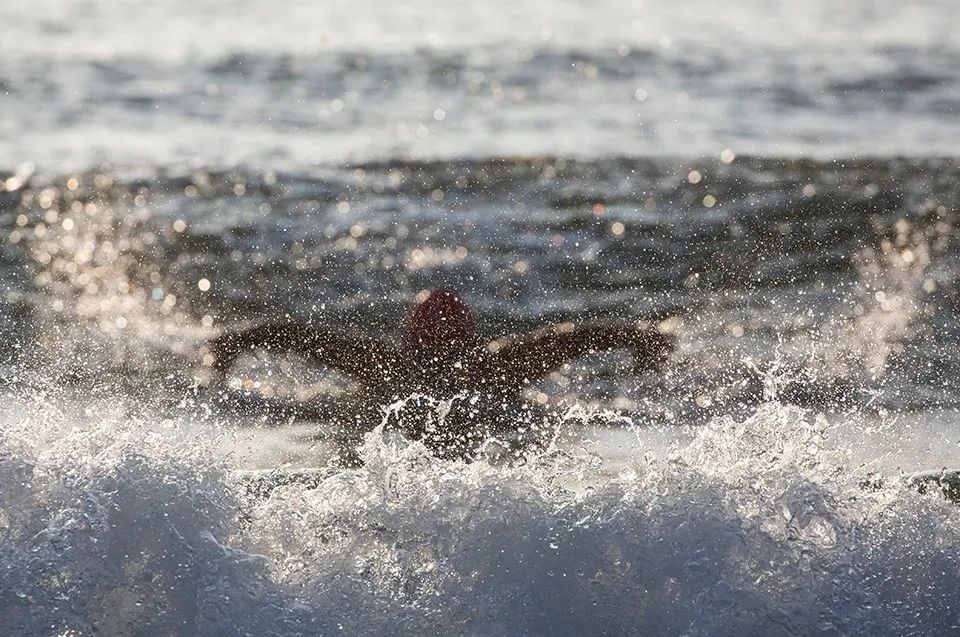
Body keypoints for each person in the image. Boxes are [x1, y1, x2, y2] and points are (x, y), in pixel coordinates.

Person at [205, 289, 675, 464]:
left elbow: (296, 336)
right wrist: (644, 340)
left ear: (410, 340)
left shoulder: (387, 366)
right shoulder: (493, 368)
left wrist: (230, 346)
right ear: (471, 338)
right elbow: (578, 338)